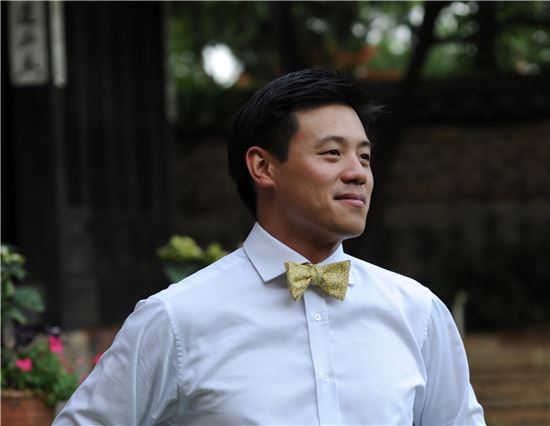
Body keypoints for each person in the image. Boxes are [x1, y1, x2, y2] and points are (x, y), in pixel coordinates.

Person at [54, 68, 485, 425]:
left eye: (364, 157)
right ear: (263, 166)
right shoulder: (177, 320)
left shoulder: (418, 313)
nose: (358, 173)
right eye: (332, 153)